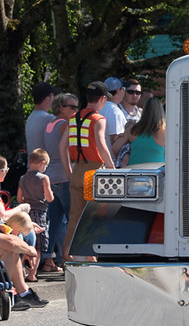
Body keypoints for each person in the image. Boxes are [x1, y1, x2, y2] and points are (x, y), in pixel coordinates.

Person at [63, 81, 115, 262]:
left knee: (74, 216)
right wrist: (111, 166)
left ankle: (67, 254)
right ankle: (90, 254)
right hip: (94, 171)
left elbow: (63, 146)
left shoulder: (73, 118)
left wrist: (69, 170)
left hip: (77, 169)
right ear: (102, 99)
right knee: (93, 214)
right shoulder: (98, 119)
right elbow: (101, 144)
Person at [42, 93, 76, 273]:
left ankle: (48, 260)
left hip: (51, 176)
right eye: (72, 107)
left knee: (53, 222)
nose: (75, 110)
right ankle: (69, 257)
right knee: (73, 218)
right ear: (61, 107)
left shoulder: (50, 124)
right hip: (64, 176)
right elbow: (68, 150)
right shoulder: (64, 125)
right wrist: (71, 172)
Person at [16, 148, 53, 278]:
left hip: (26, 214)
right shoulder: (44, 178)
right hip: (40, 214)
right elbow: (49, 198)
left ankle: (20, 271)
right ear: (42, 163)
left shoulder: (23, 178)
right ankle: (32, 273)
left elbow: (19, 199)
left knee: (25, 244)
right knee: (38, 246)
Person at [111, 95, 165, 166]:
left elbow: (115, 148)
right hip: (156, 173)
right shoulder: (166, 132)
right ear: (161, 112)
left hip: (134, 172)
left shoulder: (132, 129)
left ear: (144, 111)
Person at [25, 81, 58, 153]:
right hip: (44, 163)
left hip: (32, 162)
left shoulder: (30, 117)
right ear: (47, 99)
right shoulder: (49, 119)